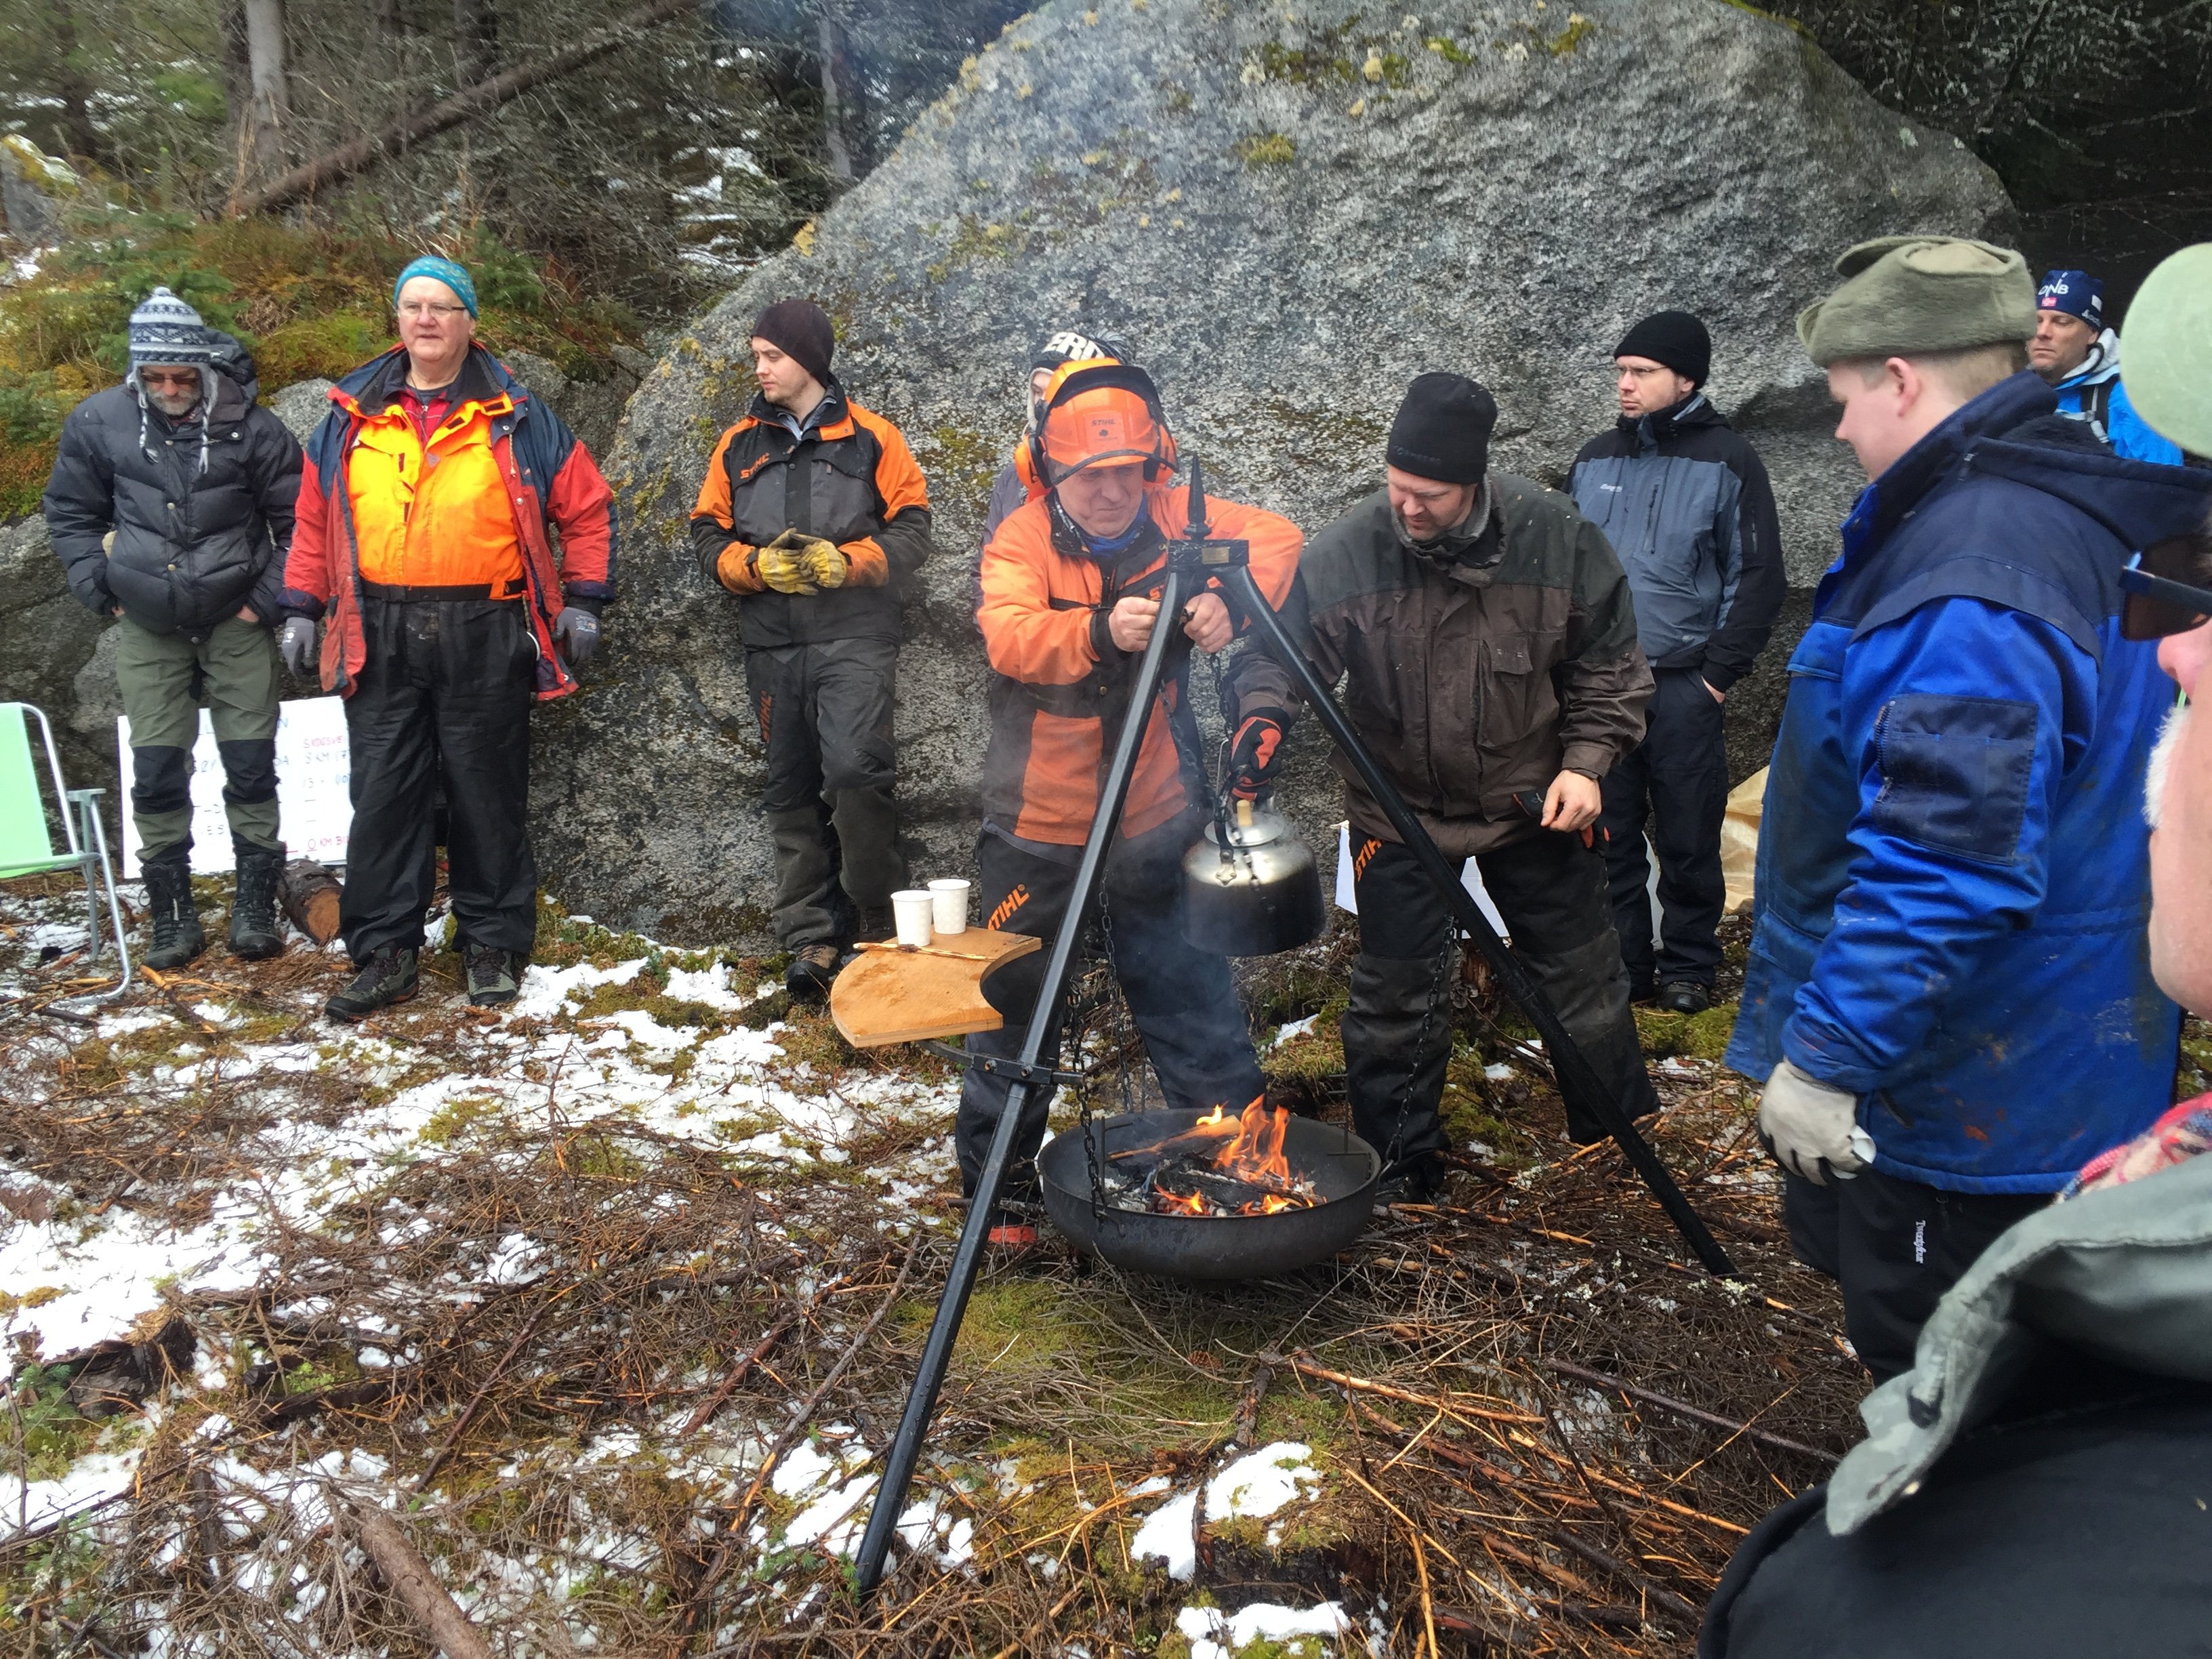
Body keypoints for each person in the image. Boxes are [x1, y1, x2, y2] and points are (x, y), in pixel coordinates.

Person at [1700, 249, 2212, 1654]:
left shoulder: (1974, 567)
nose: (1842, 429)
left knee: (1947, 1354)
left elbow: (1950, 856)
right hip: (2082, 1044)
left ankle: (1937, 1580)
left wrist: (1828, 1055)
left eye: (1844, 401)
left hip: (1977, 1087)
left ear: (1904, 380)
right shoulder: (2073, 502)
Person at [1230, 372, 1660, 1200]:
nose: (1409, 509)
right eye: (1397, 488)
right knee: (1396, 992)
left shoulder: (1558, 539)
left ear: (1475, 483)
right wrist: (1262, 716)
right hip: (1398, 812)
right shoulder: (1349, 548)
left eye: (1429, 494)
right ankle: (1401, 1161)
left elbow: (1611, 669)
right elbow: (1277, 661)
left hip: (1536, 803)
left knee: (1581, 976)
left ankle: (1611, 1139)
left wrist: (1587, 763)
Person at [966, 359, 1300, 1248]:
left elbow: (1278, 539)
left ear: (1153, 466)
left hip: (1153, 819)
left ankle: (1241, 1164)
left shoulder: (1175, 517)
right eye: (1092, 476)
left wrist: (1229, 599)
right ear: (1054, 476)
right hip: (1040, 831)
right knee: (1014, 1018)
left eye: (1128, 472)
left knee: (1194, 1000)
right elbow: (1008, 635)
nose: (1114, 491)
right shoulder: (1021, 538)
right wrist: (1096, 631)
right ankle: (1000, 1208)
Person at [279, 255, 616, 1020]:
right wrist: (301, 604)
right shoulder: (348, 417)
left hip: (487, 625)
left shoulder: (518, 414)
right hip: (376, 627)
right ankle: (385, 950)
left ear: (469, 322)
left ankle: (491, 941)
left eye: (442, 307)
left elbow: (588, 509)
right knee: (384, 795)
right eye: (412, 306)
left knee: (485, 792)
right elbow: (311, 519)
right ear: (397, 320)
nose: (426, 320)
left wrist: (585, 600)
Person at [43, 286, 300, 968]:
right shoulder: (99, 422)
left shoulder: (256, 428)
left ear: (204, 369)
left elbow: (301, 524)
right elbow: (69, 514)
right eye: (154, 377)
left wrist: (264, 603)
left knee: (251, 763)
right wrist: (101, 588)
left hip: (236, 616)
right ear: (136, 372)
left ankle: (254, 906)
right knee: (156, 768)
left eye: (181, 376)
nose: (168, 388)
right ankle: (172, 914)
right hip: (148, 622)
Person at [689, 299, 933, 1003]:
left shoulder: (875, 439)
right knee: (789, 787)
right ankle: (811, 938)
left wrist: (846, 562)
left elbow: (915, 532)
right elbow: (706, 534)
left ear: (807, 359)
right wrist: (753, 568)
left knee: (856, 773)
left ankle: (882, 928)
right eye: (757, 355)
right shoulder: (738, 444)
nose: (759, 367)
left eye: (770, 355)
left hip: (856, 636)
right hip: (770, 643)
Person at [1570, 310, 1785, 1014]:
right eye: (1621, 373)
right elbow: (1566, 575)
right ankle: (1628, 967)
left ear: (1686, 378)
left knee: (1690, 836)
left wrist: (1717, 678)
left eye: (1642, 373)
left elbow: (1756, 576)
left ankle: (1691, 967)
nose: (1625, 386)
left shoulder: (1729, 460)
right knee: (1612, 837)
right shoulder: (1595, 458)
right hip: (1603, 691)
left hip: (1684, 686)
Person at [2028, 266, 2186, 464]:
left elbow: (2160, 487)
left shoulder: (2132, 400)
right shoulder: (2011, 388)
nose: (2043, 332)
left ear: (2092, 333)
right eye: (2037, 320)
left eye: (2062, 322)